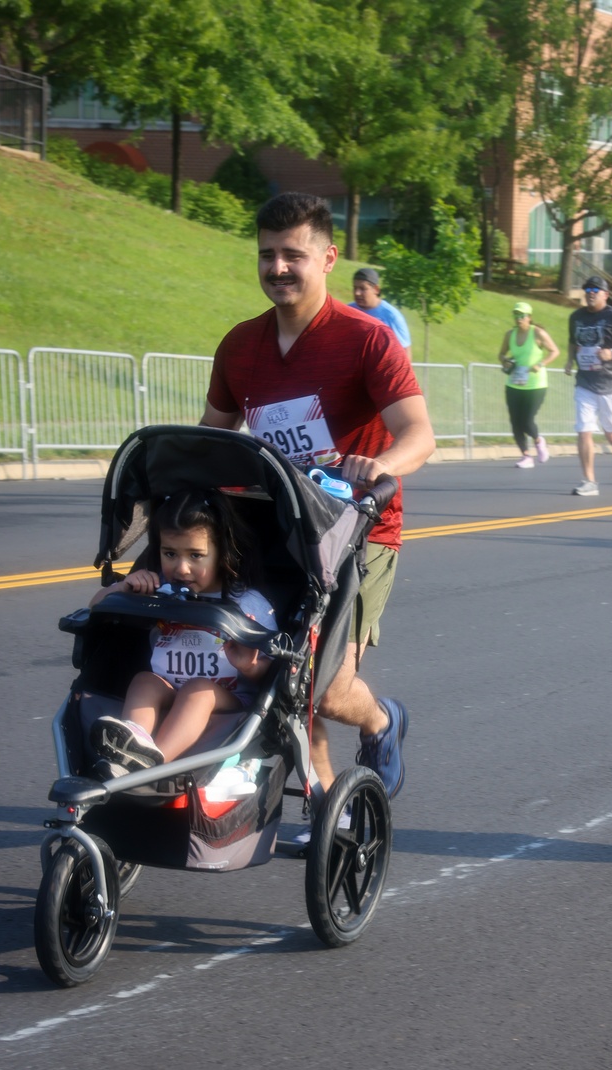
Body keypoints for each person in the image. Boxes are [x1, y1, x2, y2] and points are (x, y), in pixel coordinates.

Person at [200, 192, 435, 800]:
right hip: (274, 530)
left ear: (327, 258)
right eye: (267, 255)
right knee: (282, 670)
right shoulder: (239, 347)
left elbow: (420, 435)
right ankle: (328, 803)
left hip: (358, 529)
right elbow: (211, 439)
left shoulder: (367, 340)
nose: (278, 267)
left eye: (293, 255)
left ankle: (381, 720)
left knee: (326, 687)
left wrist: (378, 466)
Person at [88, 489, 276, 778]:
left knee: (197, 691)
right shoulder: (159, 590)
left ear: (222, 552)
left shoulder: (247, 604)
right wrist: (122, 588)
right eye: (170, 553)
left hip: (228, 697)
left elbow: (273, 671)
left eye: (196, 555)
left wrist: (250, 666)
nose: (181, 567)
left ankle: (153, 765)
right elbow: (95, 608)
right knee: (144, 681)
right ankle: (134, 742)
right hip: (169, 686)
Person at [564, 277, 612, 496]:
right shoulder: (576, 317)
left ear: (605, 294)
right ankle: (589, 481)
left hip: (611, 384)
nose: (590, 293)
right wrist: (570, 359)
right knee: (584, 430)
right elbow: (572, 341)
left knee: (611, 434)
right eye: (587, 289)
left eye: (596, 290)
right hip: (585, 383)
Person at [498, 301, 560, 468]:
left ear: (529, 317)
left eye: (522, 315)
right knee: (515, 421)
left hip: (536, 384)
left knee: (526, 420)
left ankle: (539, 441)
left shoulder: (538, 333)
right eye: (516, 315)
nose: (519, 318)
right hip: (514, 383)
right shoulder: (509, 334)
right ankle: (526, 456)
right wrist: (506, 361)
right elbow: (501, 354)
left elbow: (555, 351)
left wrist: (540, 364)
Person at [349, 266, 412, 360]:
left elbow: (405, 353)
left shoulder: (392, 316)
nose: (357, 293)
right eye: (355, 288)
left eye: (362, 288)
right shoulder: (348, 311)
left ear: (376, 289)